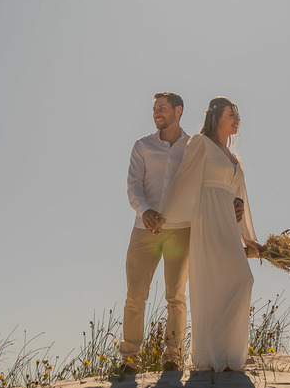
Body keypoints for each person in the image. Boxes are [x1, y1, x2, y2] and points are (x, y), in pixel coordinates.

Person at [157, 97, 262, 373]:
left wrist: (247, 236)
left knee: (239, 280)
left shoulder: (234, 158)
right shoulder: (201, 144)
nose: (237, 118)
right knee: (220, 283)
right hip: (208, 218)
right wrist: (166, 217)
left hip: (228, 220)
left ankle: (228, 355)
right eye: (231, 113)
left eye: (238, 114)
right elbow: (184, 180)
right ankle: (211, 355)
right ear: (216, 116)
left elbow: (241, 198)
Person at [121, 92, 193, 373]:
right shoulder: (142, 146)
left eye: (162, 108)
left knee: (176, 296)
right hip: (144, 231)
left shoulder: (193, 146)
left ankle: (172, 358)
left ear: (178, 110)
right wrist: (145, 211)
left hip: (180, 231)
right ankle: (129, 359)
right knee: (135, 296)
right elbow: (133, 185)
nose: (156, 113)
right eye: (154, 109)